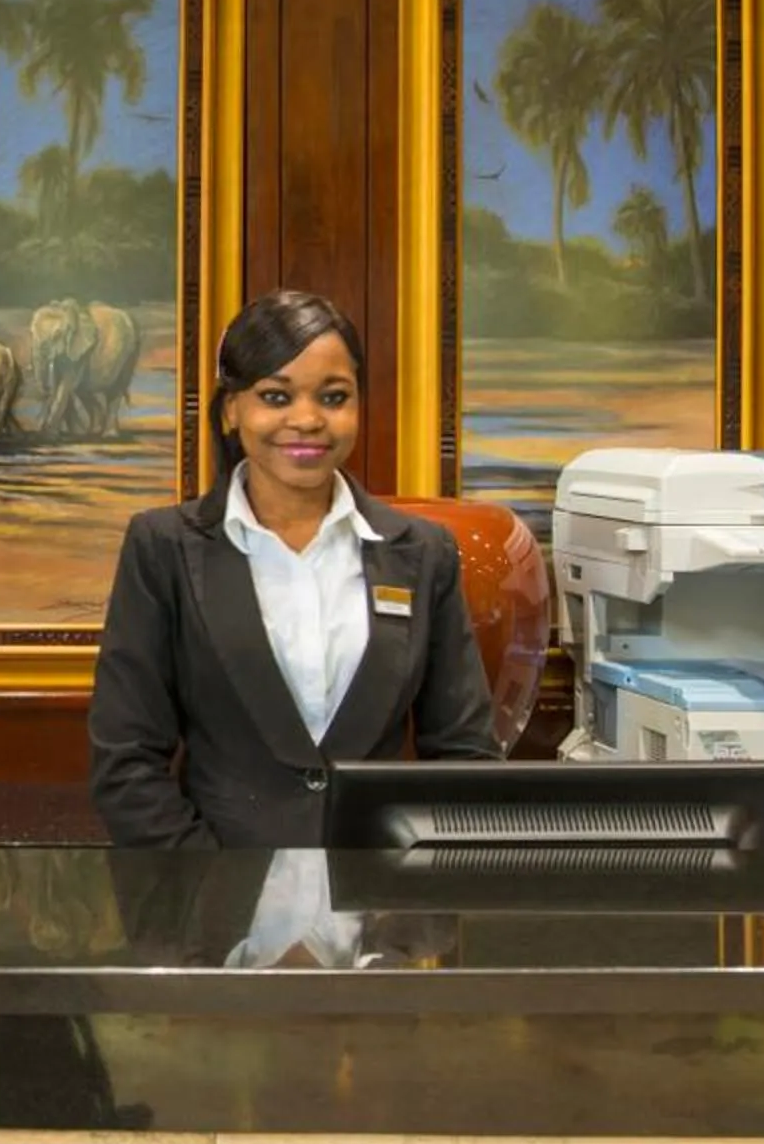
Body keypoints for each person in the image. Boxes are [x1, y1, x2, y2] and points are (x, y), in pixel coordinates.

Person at [88, 289, 497, 849]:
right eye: (275, 396)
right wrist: (219, 906)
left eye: (333, 397)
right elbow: (126, 765)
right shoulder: (162, 547)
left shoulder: (422, 554)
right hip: (218, 915)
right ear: (231, 409)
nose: (307, 420)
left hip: (381, 913)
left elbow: (465, 756)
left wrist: (410, 911)